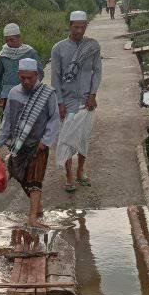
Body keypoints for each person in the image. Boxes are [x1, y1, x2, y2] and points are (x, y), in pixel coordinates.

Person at [0, 57, 60, 227]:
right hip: (18, 144)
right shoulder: (14, 93)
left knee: (35, 180)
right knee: (19, 176)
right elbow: (7, 120)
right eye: (22, 78)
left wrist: (45, 141)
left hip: (38, 145)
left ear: (37, 75)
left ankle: (32, 218)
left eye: (30, 78)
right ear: (19, 75)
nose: (26, 81)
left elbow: (54, 120)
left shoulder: (47, 94)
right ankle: (37, 207)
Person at [51, 10, 102, 192]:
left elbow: (97, 71)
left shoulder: (92, 46)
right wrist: (60, 102)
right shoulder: (58, 49)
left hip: (87, 101)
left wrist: (92, 95)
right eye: (76, 27)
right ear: (70, 26)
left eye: (82, 27)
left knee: (84, 138)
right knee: (66, 139)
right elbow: (55, 78)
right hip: (68, 101)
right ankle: (69, 175)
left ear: (86, 26)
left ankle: (81, 171)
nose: (79, 31)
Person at [0, 23, 43, 108]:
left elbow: (40, 73)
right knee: (8, 119)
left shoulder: (30, 52)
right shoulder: (3, 55)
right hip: (7, 95)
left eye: (12, 40)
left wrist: (32, 87)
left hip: (27, 95)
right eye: (7, 40)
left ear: (19, 37)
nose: (9, 43)